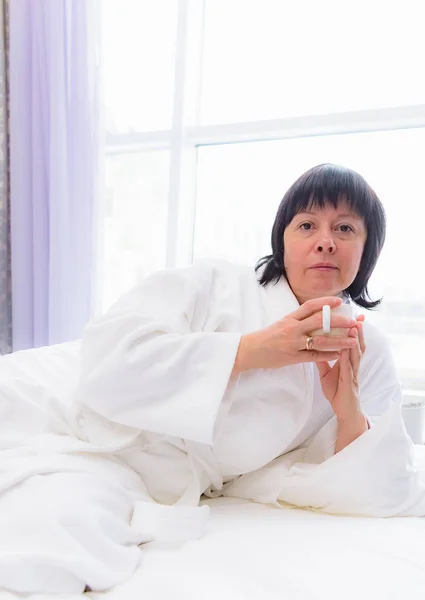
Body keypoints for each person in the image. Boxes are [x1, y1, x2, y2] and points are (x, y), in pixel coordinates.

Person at [2, 163, 425, 595]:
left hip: (149, 479)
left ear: (368, 249)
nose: (325, 242)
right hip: (72, 415)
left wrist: (347, 408)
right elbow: (107, 355)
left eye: (346, 228)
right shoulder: (217, 283)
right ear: (283, 239)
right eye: (306, 225)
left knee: (64, 540)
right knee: (44, 542)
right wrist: (252, 350)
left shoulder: (365, 350)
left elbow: (386, 486)